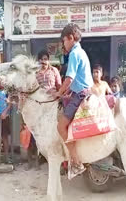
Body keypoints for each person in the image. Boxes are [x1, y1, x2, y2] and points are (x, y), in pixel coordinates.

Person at [52, 23, 93, 176]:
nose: (64, 44)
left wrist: (58, 93)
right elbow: (75, 81)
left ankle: (76, 162)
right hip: (81, 92)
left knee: (61, 127)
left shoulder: (74, 54)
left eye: (64, 41)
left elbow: (69, 79)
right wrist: (64, 92)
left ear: (70, 38)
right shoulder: (81, 52)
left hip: (81, 95)